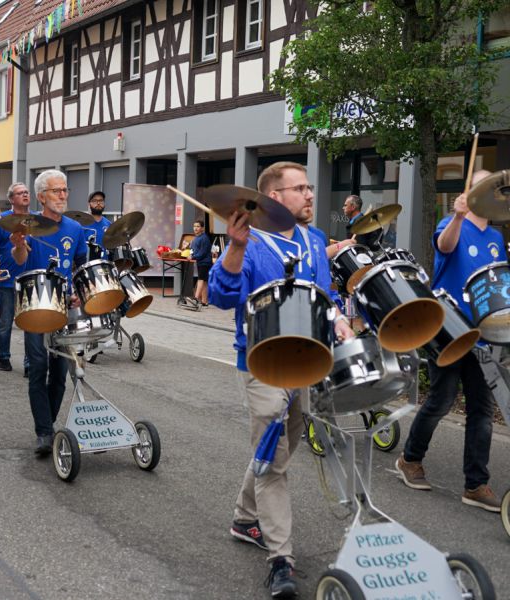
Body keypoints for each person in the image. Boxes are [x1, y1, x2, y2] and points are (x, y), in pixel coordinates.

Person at [208, 161, 354, 598]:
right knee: (275, 463)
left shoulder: (313, 240)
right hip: (263, 365)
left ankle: (243, 518)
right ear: (274, 198)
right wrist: (233, 249)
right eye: (299, 189)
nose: (310, 195)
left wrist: (341, 323)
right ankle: (280, 559)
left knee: (280, 451)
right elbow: (220, 295)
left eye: (310, 188)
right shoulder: (250, 240)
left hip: (307, 362)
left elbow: (324, 296)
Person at [396, 169, 507, 512]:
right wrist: (458, 215)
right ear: (471, 192)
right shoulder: (451, 224)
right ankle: (410, 459)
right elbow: (444, 247)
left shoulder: (498, 236)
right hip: (449, 327)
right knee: (441, 401)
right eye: (484, 186)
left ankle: (476, 483)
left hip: (483, 334)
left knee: (482, 410)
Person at [11, 170, 87, 455]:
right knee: (39, 366)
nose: (63, 195)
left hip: (64, 305)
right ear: (42, 196)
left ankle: (49, 422)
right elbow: (20, 261)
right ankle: (43, 432)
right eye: (57, 191)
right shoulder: (27, 225)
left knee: (59, 371)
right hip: (34, 303)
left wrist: (79, 290)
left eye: (65, 190)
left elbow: (80, 263)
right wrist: (19, 245)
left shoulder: (74, 228)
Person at [0, 183, 32, 374]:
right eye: (20, 193)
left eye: (27, 192)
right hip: (8, 279)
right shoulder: (2, 220)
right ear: (12, 199)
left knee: (31, 323)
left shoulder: (37, 220)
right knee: (5, 323)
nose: (25, 195)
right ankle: (3, 357)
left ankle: (30, 362)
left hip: (31, 278)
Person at [189, 220, 212, 306]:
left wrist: (193, 256)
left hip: (205, 262)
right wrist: (190, 254)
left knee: (201, 279)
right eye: (194, 226)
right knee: (205, 281)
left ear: (202, 228)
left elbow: (203, 252)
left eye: (198, 226)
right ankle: (204, 301)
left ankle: (195, 298)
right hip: (200, 262)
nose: (195, 228)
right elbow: (192, 249)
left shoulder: (204, 238)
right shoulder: (195, 238)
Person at [84, 191, 111, 258]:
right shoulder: (82, 224)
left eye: (101, 201)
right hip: (87, 265)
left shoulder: (109, 225)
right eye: (95, 201)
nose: (98, 203)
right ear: (89, 204)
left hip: (105, 264)